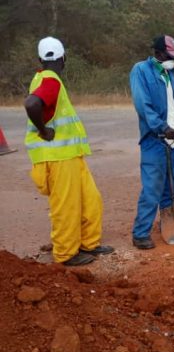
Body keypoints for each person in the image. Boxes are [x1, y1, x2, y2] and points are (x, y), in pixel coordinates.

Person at [23, 37, 113, 266]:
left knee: (91, 200)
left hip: (70, 156)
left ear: (39, 60)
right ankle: (65, 254)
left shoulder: (43, 78)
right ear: (64, 58)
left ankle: (89, 244)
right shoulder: (51, 81)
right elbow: (32, 103)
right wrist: (44, 131)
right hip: (58, 157)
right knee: (67, 206)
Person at [129, 35, 174, 250]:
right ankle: (140, 233)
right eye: (170, 56)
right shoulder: (141, 71)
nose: (173, 60)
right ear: (158, 53)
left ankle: (168, 222)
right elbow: (142, 105)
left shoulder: (169, 74)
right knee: (152, 187)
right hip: (155, 140)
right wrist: (162, 127)